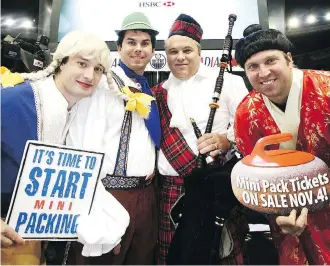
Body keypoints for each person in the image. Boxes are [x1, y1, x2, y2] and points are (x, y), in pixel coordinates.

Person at [1, 31, 129, 265]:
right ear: (61, 63)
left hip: (31, 236)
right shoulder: (15, 100)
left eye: (98, 69)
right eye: (81, 64)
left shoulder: (76, 110)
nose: (89, 75)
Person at [151, 14, 250, 264]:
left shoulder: (229, 82)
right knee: (174, 257)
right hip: (170, 190)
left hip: (214, 187)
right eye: (173, 51)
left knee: (218, 254)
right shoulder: (159, 92)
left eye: (187, 50)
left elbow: (248, 129)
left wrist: (226, 141)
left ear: (199, 50)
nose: (180, 57)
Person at [66, 12, 160, 265]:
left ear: (152, 50)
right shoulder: (104, 86)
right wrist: (97, 207)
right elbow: (84, 146)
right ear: (119, 47)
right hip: (110, 195)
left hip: (147, 195)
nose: (138, 49)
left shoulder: (148, 88)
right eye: (131, 42)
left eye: (145, 43)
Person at [234, 24, 330, 265]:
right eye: (253, 67)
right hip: (286, 220)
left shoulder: (326, 90)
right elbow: (259, 181)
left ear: (288, 58)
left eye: (270, 61)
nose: (263, 73)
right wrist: (278, 217)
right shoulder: (246, 113)